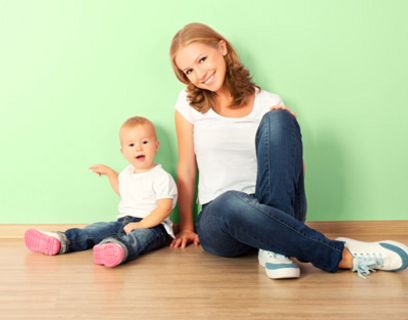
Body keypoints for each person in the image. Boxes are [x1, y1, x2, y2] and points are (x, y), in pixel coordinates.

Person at [168, 22, 408, 279]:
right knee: (230, 202)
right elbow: (186, 167)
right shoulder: (188, 103)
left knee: (280, 120)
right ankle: (342, 255)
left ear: (222, 48)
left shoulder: (268, 103)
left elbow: (294, 173)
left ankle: (274, 249)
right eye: (189, 71)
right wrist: (186, 226)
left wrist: (287, 134)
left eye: (202, 60)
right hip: (223, 219)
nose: (199, 74)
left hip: (275, 205)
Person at [24, 116, 177, 268]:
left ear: (156, 145)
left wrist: (142, 224)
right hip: (124, 221)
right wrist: (111, 173)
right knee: (97, 230)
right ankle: (63, 240)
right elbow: (124, 192)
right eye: (131, 144)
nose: (138, 148)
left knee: (139, 238)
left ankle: (116, 249)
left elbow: (164, 208)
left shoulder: (161, 177)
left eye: (145, 142)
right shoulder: (127, 173)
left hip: (155, 226)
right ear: (122, 151)